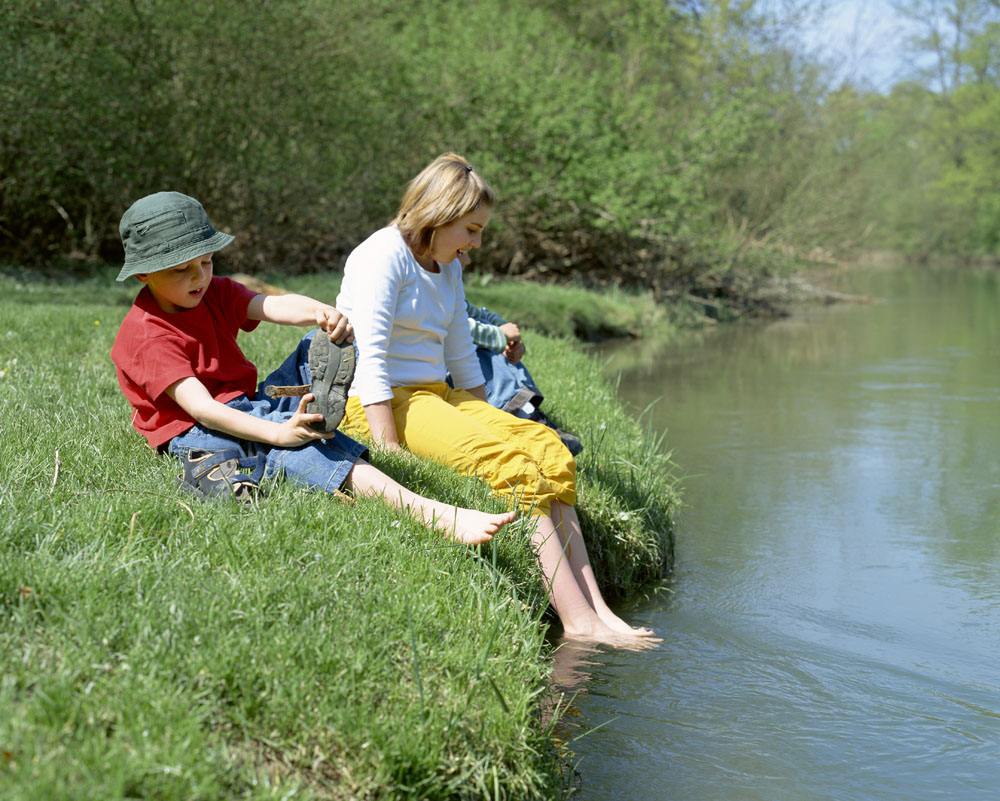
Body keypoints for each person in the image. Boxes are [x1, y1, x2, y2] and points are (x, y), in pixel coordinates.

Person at [335, 153, 656, 645]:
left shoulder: (447, 268)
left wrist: (485, 416)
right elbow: (370, 357)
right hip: (379, 401)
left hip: (435, 395)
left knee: (548, 450)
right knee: (511, 466)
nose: (477, 244)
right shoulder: (382, 256)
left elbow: (461, 356)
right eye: (471, 229)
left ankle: (600, 610)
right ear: (438, 214)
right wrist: (390, 448)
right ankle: (578, 623)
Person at [110, 191, 515, 545]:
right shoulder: (148, 336)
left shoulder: (210, 292)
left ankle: (303, 422)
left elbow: (269, 305)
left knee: (314, 346)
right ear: (144, 274)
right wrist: (278, 434)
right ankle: (428, 511)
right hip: (195, 427)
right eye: (182, 269)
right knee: (294, 445)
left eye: (207, 261)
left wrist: (319, 312)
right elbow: (202, 409)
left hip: (242, 401)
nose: (199, 276)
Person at [464, 300, 583, 456]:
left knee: (490, 335)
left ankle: (530, 415)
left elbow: (479, 314)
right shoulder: (423, 283)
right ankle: (521, 419)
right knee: (474, 349)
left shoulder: (449, 280)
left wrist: (510, 338)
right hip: (436, 374)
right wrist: (498, 335)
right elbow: (452, 327)